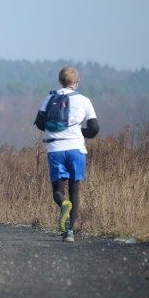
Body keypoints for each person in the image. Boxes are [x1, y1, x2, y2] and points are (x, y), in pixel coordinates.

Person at [34, 66, 99, 243]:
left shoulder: (50, 98)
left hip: (55, 149)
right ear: (77, 81)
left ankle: (63, 204)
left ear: (59, 81)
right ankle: (69, 232)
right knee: (74, 190)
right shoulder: (84, 100)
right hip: (76, 149)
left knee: (58, 190)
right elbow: (94, 130)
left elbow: (40, 123)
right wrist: (77, 131)